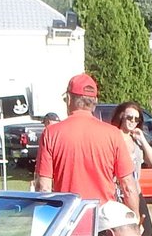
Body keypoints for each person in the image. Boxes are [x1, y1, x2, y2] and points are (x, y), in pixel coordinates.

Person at [34, 73, 131, 204]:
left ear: (68, 99)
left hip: (67, 216)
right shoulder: (113, 134)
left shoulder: (51, 133)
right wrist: (135, 218)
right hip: (102, 218)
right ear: (94, 102)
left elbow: (43, 187)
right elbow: (128, 186)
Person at [111, 101, 152, 234]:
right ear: (121, 116)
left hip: (135, 192)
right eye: (129, 118)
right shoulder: (113, 136)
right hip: (117, 193)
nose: (132, 121)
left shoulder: (135, 139)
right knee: (123, 232)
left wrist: (142, 139)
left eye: (136, 119)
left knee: (146, 232)